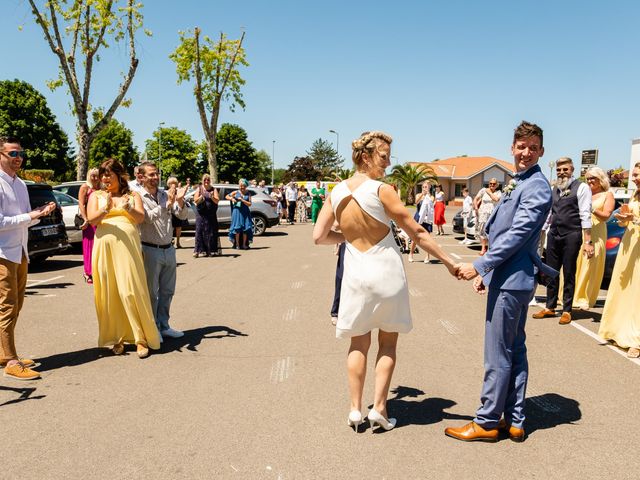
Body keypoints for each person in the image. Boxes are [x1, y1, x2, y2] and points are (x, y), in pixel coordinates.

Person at [313, 131, 458, 433]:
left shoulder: (336, 191)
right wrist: (449, 262)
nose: (389, 162)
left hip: (355, 274)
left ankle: (355, 409)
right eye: (384, 156)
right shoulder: (382, 189)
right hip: (386, 272)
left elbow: (319, 236)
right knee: (388, 343)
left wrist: (348, 238)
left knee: (358, 341)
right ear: (366, 157)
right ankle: (379, 408)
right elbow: (416, 231)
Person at [445, 121, 558, 443]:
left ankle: (486, 421)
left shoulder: (536, 185)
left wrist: (481, 266)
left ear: (541, 151)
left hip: (513, 279)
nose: (525, 152)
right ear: (512, 147)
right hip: (509, 278)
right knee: (514, 350)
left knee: (497, 354)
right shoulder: (519, 181)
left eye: (532, 148)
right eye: (521, 146)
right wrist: (490, 274)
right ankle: (516, 419)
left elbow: (518, 236)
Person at [87, 158, 161, 359]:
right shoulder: (97, 195)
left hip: (127, 249)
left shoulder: (132, 194)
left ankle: (140, 338)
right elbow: (91, 220)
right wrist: (105, 208)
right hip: (104, 248)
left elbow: (140, 218)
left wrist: (128, 207)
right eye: (103, 174)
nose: (105, 178)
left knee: (130, 291)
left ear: (119, 175)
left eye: (109, 174)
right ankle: (116, 338)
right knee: (110, 293)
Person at [0, 136, 56, 380]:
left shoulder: (21, 184)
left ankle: (4, 353)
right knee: (6, 306)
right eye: (12, 153)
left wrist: (40, 214)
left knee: (17, 305)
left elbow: (24, 218)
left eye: (20, 153)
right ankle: (11, 361)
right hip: (2, 253)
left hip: (20, 251)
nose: (18, 158)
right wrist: (30, 216)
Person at [532, 157, 593, 325]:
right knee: (551, 271)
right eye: (559, 170)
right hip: (554, 234)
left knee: (568, 272)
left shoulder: (581, 187)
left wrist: (587, 241)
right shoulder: (555, 189)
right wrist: (541, 231)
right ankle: (550, 307)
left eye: (565, 169)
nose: (561, 172)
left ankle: (567, 309)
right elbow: (550, 214)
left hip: (572, 234)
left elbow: (585, 215)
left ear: (572, 170)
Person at [139, 163, 188, 340]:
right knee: (152, 293)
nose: (155, 177)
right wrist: (166, 204)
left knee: (167, 291)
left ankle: (164, 325)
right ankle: (153, 329)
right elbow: (145, 218)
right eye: (150, 175)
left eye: (156, 174)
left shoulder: (164, 194)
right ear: (142, 177)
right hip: (150, 249)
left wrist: (180, 201)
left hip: (169, 249)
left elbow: (181, 215)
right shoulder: (138, 196)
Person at [598, 162, 640, 358]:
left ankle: (636, 340)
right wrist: (624, 218)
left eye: (637, 174)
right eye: (634, 174)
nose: (634, 178)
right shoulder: (636, 194)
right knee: (624, 289)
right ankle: (619, 330)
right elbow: (627, 220)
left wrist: (634, 219)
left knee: (637, 293)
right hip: (628, 245)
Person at [572, 167, 615, 310]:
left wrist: (590, 208)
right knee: (576, 263)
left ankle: (585, 298)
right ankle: (571, 296)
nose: (590, 181)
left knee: (590, 265)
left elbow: (607, 215)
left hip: (596, 234)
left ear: (600, 179)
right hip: (580, 232)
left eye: (593, 178)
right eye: (588, 178)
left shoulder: (607, 195)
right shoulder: (584, 193)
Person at [77, 168, 100, 283]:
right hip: (89, 221)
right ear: (88, 176)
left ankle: (97, 271)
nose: (95, 178)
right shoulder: (85, 187)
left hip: (99, 220)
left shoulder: (101, 188)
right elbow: (81, 203)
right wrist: (85, 218)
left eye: (97, 176)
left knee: (98, 246)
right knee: (89, 246)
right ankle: (88, 272)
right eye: (93, 176)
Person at [193, 174, 220, 258]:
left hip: (211, 214)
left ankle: (211, 250)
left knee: (211, 232)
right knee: (199, 231)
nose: (206, 181)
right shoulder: (199, 188)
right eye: (205, 180)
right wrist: (201, 196)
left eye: (208, 180)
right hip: (201, 214)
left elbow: (217, 201)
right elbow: (195, 201)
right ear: (202, 180)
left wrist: (211, 197)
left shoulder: (213, 189)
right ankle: (197, 251)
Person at [474, 178, 502, 254]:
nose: (492, 185)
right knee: (482, 231)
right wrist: (476, 208)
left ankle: (490, 249)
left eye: (494, 184)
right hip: (483, 213)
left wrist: (489, 192)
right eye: (490, 183)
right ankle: (483, 249)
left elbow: (496, 199)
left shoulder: (499, 192)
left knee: (491, 231)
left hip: (492, 214)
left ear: (497, 185)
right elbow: (476, 199)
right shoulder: (483, 190)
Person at [409, 184, 434, 263]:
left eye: (426, 187)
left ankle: (427, 256)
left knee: (427, 238)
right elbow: (416, 202)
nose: (424, 188)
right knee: (415, 237)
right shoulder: (418, 195)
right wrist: (422, 195)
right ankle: (411, 254)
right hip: (418, 217)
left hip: (427, 218)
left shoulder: (431, 196)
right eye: (423, 187)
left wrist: (428, 195)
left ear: (429, 188)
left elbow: (431, 202)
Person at [227, 179, 253, 249]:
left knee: (245, 229)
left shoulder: (248, 193)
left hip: (245, 212)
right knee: (237, 229)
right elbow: (227, 196)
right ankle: (237, 245)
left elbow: (250, 204)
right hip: (237, 212)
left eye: (243, 186)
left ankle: (244, 244)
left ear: (246, 186)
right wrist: (232, 199)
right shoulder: (236, 192)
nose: (242, 187)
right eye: (241, 186)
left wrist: (242, 200)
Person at [166, 176, 186, 248]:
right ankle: (170, 241)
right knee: (170, 227)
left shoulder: (179, 192)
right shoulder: (166, 192)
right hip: (169, 212)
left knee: (178, 227)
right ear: (169, 184)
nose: (173, 185)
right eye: (171, 183)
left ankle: (178, 242)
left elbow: (182, 201)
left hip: (177, 212)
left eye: (174, 183)